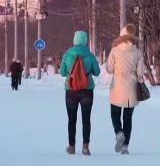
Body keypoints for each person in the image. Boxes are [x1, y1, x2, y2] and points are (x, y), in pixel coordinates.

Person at [106, 24, 144, 155]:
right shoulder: (138, 52)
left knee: (114, 113)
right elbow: (140, 72)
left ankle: (118, 132)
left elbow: (109, 69)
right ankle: (125, 146)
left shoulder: (115, 51)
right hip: (132, 88)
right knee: (128, 117)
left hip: (117, 86)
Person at [60, 30, 100, 155]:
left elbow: (62, 72)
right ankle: (85, 147)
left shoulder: (67, 55)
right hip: (87, 90)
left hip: (71, 90)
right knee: (86, 119)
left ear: (74, 40)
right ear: (85, 41)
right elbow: (97, 72)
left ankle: (71, 146)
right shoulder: (90, 55)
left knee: (71, 119)